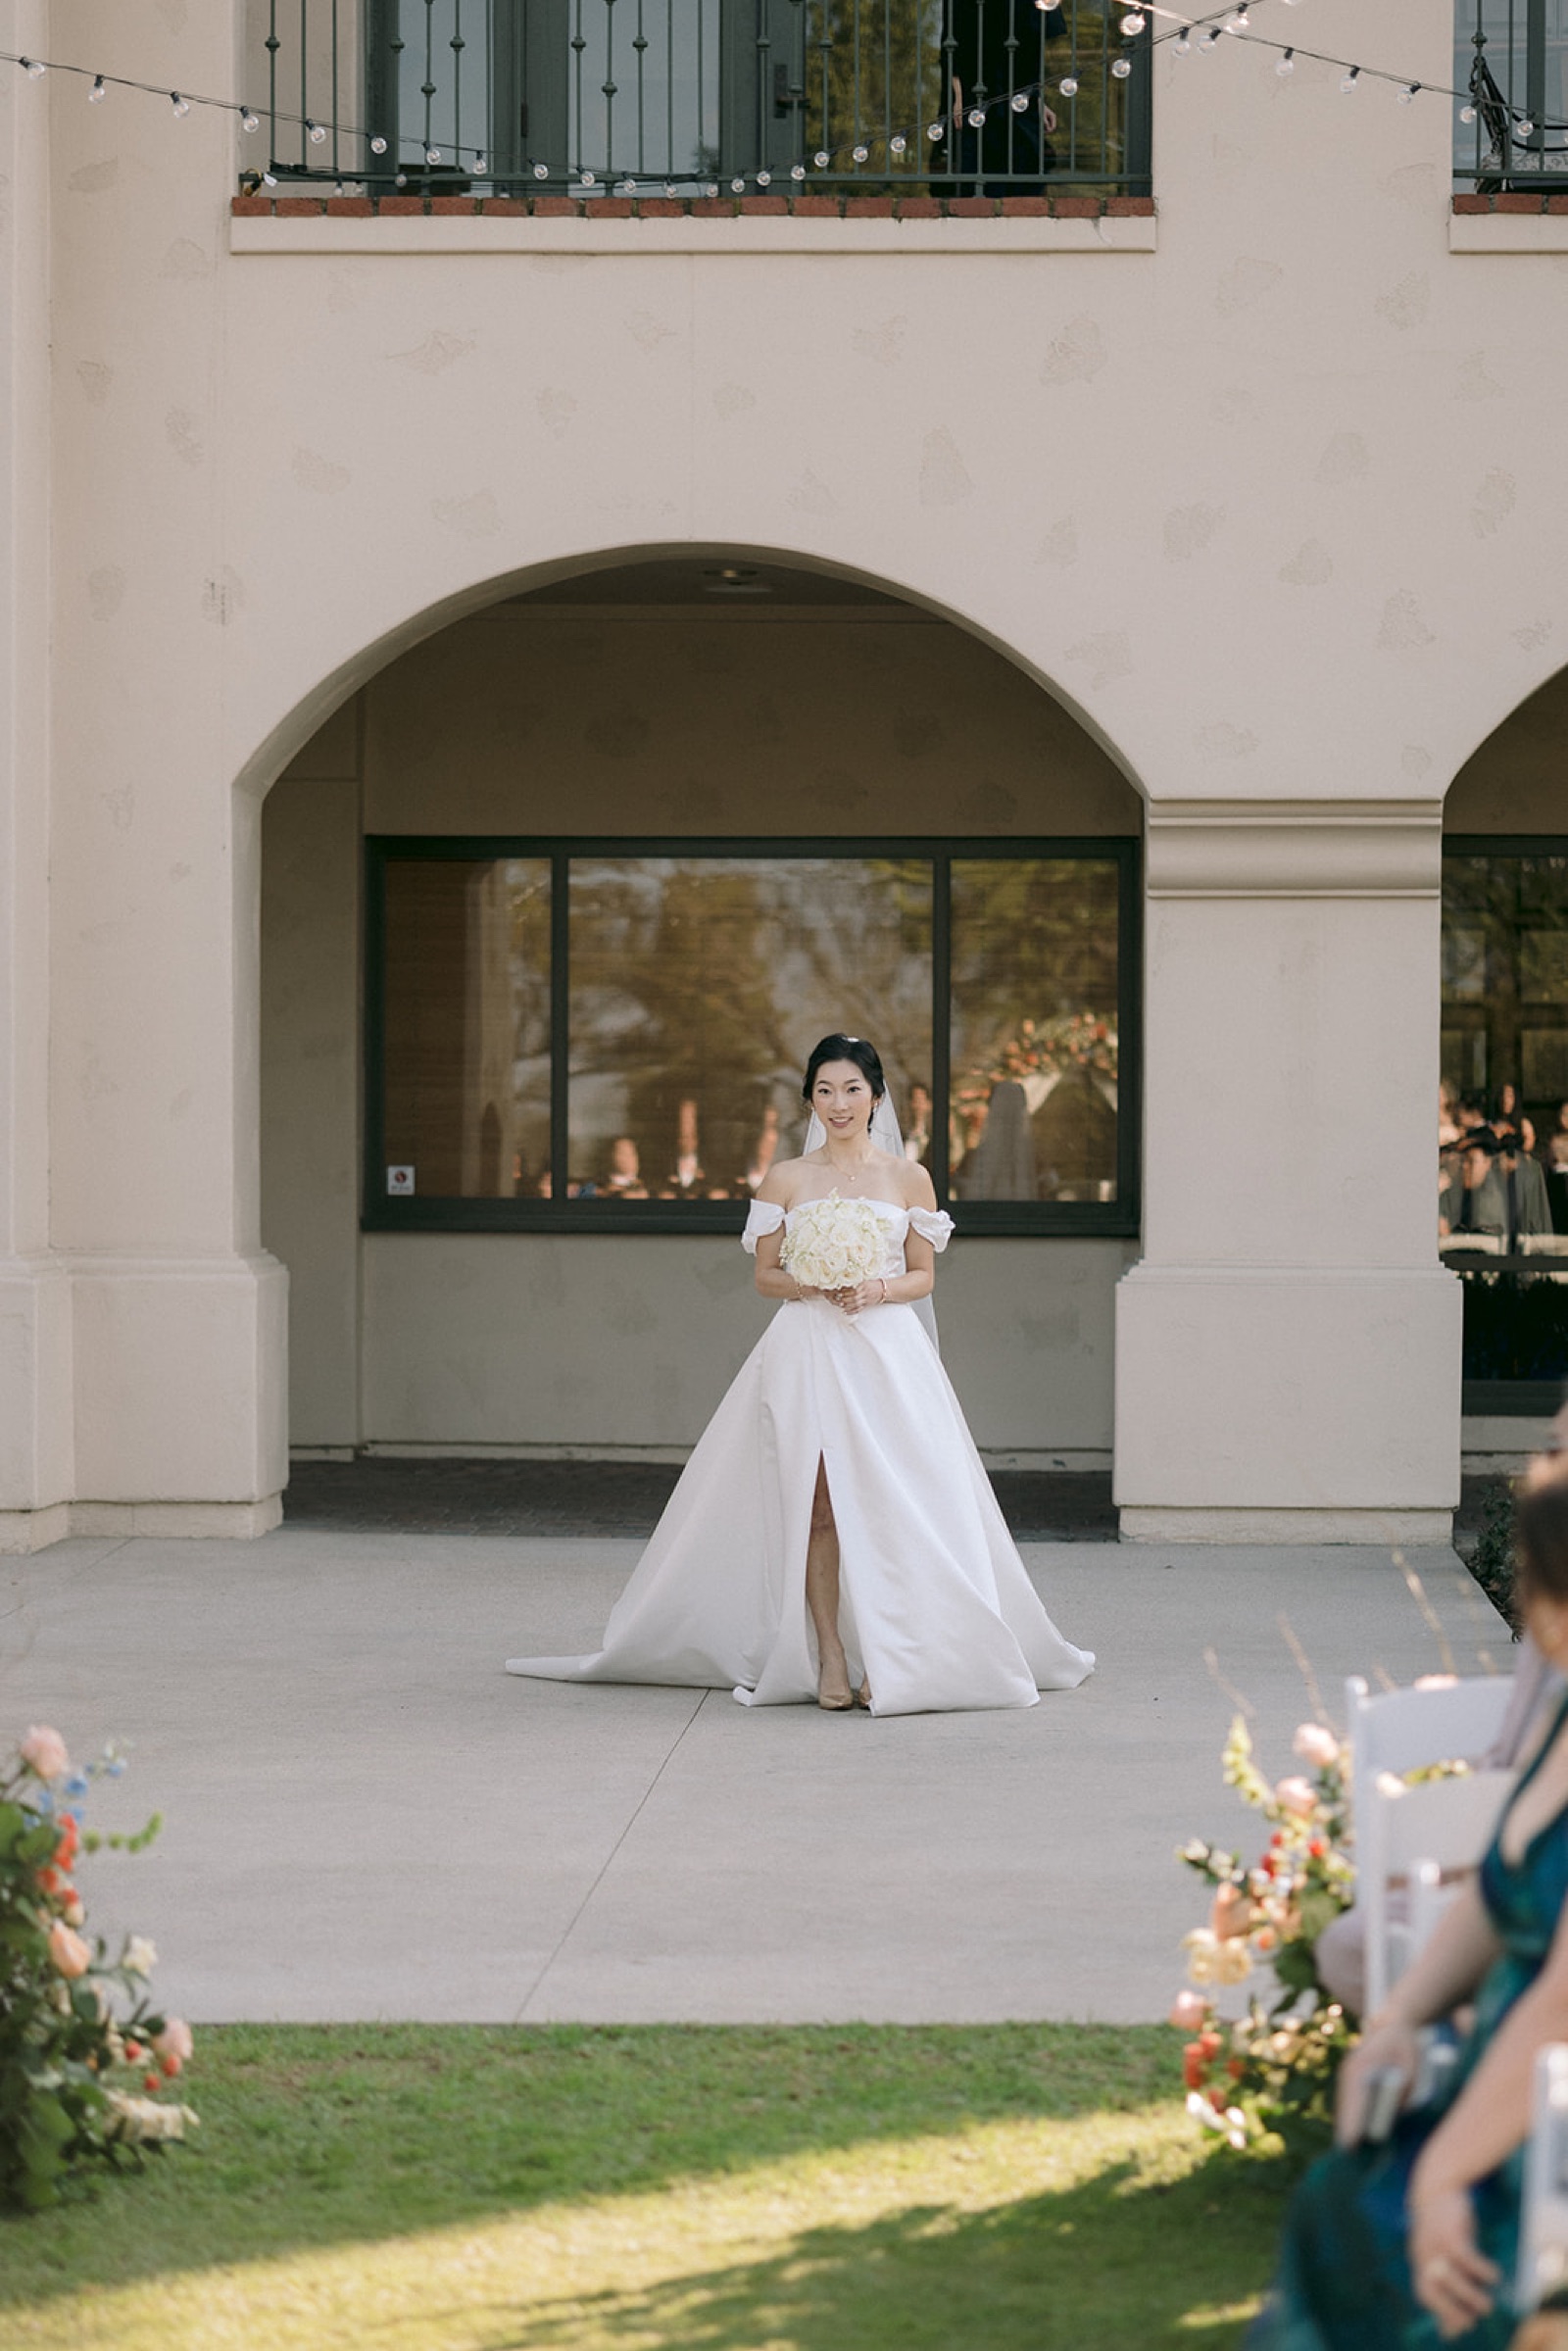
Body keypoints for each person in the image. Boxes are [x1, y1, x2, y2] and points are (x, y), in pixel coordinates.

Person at [506, 1033, 1094, 1716]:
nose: (838, 1103)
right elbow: (764, 1276)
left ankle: (895, 1652)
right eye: (824, 1090)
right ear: (810, 1098)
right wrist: (810, 1278)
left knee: (893, 1498)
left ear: (876, 1096)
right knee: (817, 1506)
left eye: (851, 1089)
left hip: (885, 1354)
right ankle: (830, 1652)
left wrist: (875, 1288)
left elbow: (924, 1276)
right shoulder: (786, 1177)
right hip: (807, 1347)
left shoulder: (909, 1178)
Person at [1250, 1449, 1568, 2349]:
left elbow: (1560, 2007)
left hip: (1550, 2122)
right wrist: (1399, 2015)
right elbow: (1491, 1893)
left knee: (1375, 2227)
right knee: (1339, 2199)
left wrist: (1441, 2179)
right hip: (1503, 2088)